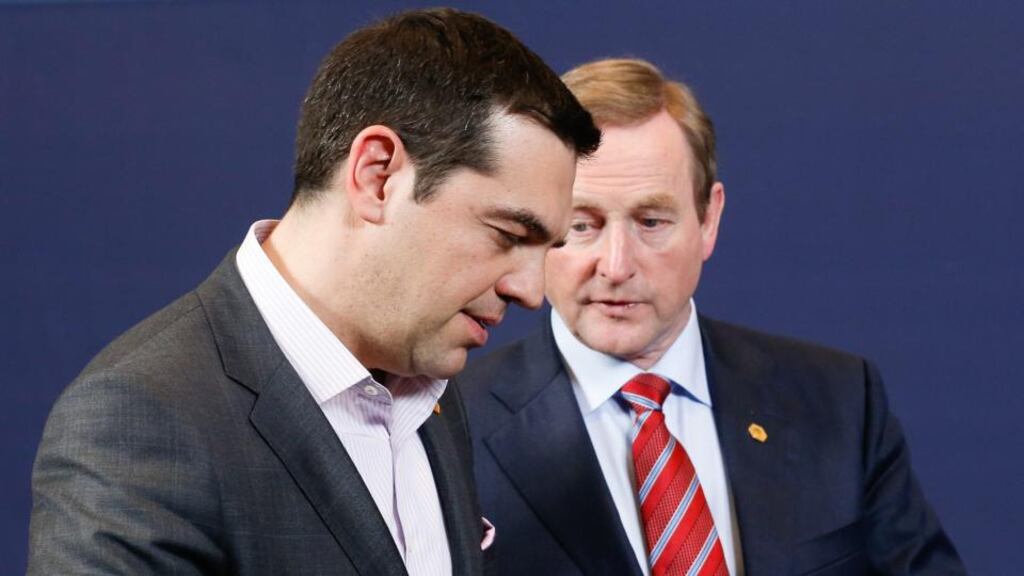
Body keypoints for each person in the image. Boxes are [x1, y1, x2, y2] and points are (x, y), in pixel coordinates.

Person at [27, 9, 600, 575]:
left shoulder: (433, 390)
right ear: (378, 176)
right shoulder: (141, 420)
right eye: (508, 234)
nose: (531, 292)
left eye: (546, 248)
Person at [456, 58, 965, 575]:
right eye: (582, 225)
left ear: (708, 219)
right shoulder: (453, 429)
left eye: (650, 222)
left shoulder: (839, 401)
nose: (615, 266)